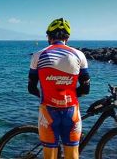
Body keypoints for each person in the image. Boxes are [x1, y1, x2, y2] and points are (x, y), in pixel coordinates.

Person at [28, 18, 90, 159]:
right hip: (71, 111)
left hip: (48, 112)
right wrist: (67, 97)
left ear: (49, 37)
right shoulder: (79, 55)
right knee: (72, 155)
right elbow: (86, 89)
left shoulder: (38, 55)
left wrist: (47, 96)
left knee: (49, 155)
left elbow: (31, 88)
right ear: (67, 38)